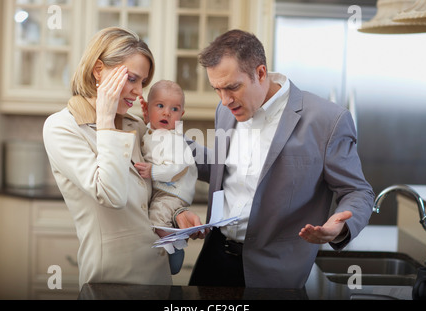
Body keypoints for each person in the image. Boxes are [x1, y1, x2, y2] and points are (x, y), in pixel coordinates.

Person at [176, 29, 375, 289]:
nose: (224, 100)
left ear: (260, 73)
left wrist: (341, 226)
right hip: (214, 258)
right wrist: (162, 137)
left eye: (232, 87)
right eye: (217, 89)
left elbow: (358, 192)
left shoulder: (328, 120)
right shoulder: (226, 110)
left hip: (273, 273)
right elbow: (224, 168)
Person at [43, 27, 172, 289]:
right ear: (99, 69)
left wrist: (178, 212)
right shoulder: (62, 127)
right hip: (110, 283)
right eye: (132, 78)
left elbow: (158, 186)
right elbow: (111, 194)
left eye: (142, 83)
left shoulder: (133, 126)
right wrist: (104, 119)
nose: (138, 93)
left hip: (158, 280)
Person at [134, 80, 198, 275]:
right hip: (165, 189)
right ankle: (172, 239)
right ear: (148, 109)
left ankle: (176, 248)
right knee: (156, 219)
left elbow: (179, 168)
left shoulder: (173, 139)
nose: (166, 113)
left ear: (181, 116)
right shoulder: (153, 132)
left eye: (174, 109)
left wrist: (153, 172)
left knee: (157, 219)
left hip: (173, 191)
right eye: (160, 106)